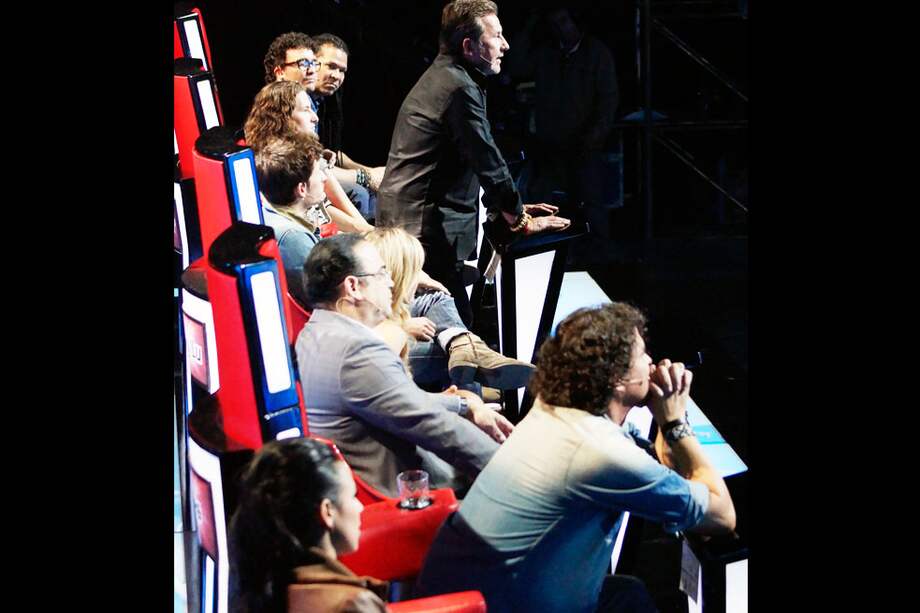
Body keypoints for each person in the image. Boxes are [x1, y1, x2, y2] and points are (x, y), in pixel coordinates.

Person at [416, 302, 737, 612]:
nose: (652, 363)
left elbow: (658, 466)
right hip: (491, 605)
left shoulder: (551, 410)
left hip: (465, 591)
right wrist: (674, 422)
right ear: (617, 379)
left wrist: (667, 436)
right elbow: (722, 516)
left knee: (628, 593)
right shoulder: (602, 454)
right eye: (643, 355)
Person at [377, 0, 571, 326]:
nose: (506, 45)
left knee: (451, 333)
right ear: (469, 46)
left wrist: (509, 208)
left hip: (415, 227)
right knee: (457, 339)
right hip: (422, 234)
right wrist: (519, 219)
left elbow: (462, 161)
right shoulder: (456, 87)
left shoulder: (449, 77)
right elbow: (487, 158)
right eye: (497, 36)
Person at [295, 233, 514, 496]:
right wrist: (514, 473)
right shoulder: (357, 351)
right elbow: (435, 426)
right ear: (354, 287)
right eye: (381, 273)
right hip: (410, 494)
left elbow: (396, 403)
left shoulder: (314, 333)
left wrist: (464, 404)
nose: (390, 282)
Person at [364, 227, 534, 391]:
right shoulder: (361, 303)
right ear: (401, 273)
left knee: (435, 298)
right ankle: (469, 402)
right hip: (373, 357)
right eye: (416, 271)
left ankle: (463, 343)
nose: (419, 277)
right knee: (458, 360)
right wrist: (402, 328)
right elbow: (360, 339)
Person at [228, 437, 386, 612]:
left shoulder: (255, 592)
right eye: (352, 496)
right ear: (327, 512)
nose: (360, 507)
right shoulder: (352, 605)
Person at [504, 6, 620, 242]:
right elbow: (516, 66)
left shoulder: (596, 54)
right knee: (545, 201)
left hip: (584, 145)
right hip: (550, 144)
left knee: (591, 201)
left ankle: (600, 255)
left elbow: (608, 101)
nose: (560, 29)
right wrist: (529, 27)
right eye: (555, 24)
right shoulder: (547, 54)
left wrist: (594, 137)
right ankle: (552, 254)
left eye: (564, 22)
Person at [263, 31, 383, 221]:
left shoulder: (314, 103)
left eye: (312, 64)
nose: (311, 71)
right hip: (300, 205)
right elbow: (313, 186)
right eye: (304, 64)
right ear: (280, 72)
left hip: (311, 197)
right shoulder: (280, 111)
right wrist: (365, 177)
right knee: (361, 194)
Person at [244, 80, 373, 234]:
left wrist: (371, 233)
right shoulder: (270, 165)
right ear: (283, 116)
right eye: (306, 110)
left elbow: (333, 208)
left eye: (312, 109)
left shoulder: (308, 152)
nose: (315, 118)